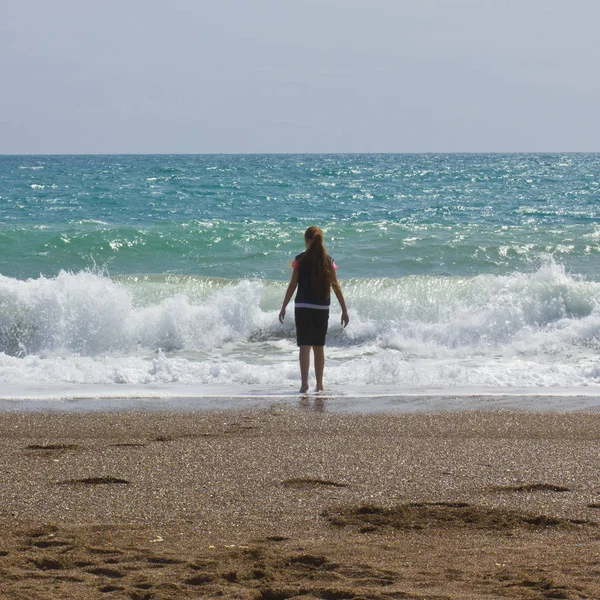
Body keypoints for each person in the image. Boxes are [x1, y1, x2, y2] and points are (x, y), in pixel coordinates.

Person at [279, 226, 349, 393]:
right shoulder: (329, 261)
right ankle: (319, 385)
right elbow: (336, 286)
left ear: (306, 241)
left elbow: (292, 285)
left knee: (304, 345)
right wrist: (344, 310)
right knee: (319, 346)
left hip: (302, 306)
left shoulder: (299, 260)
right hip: (321, 307)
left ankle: (304, 384)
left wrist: (284, 306)